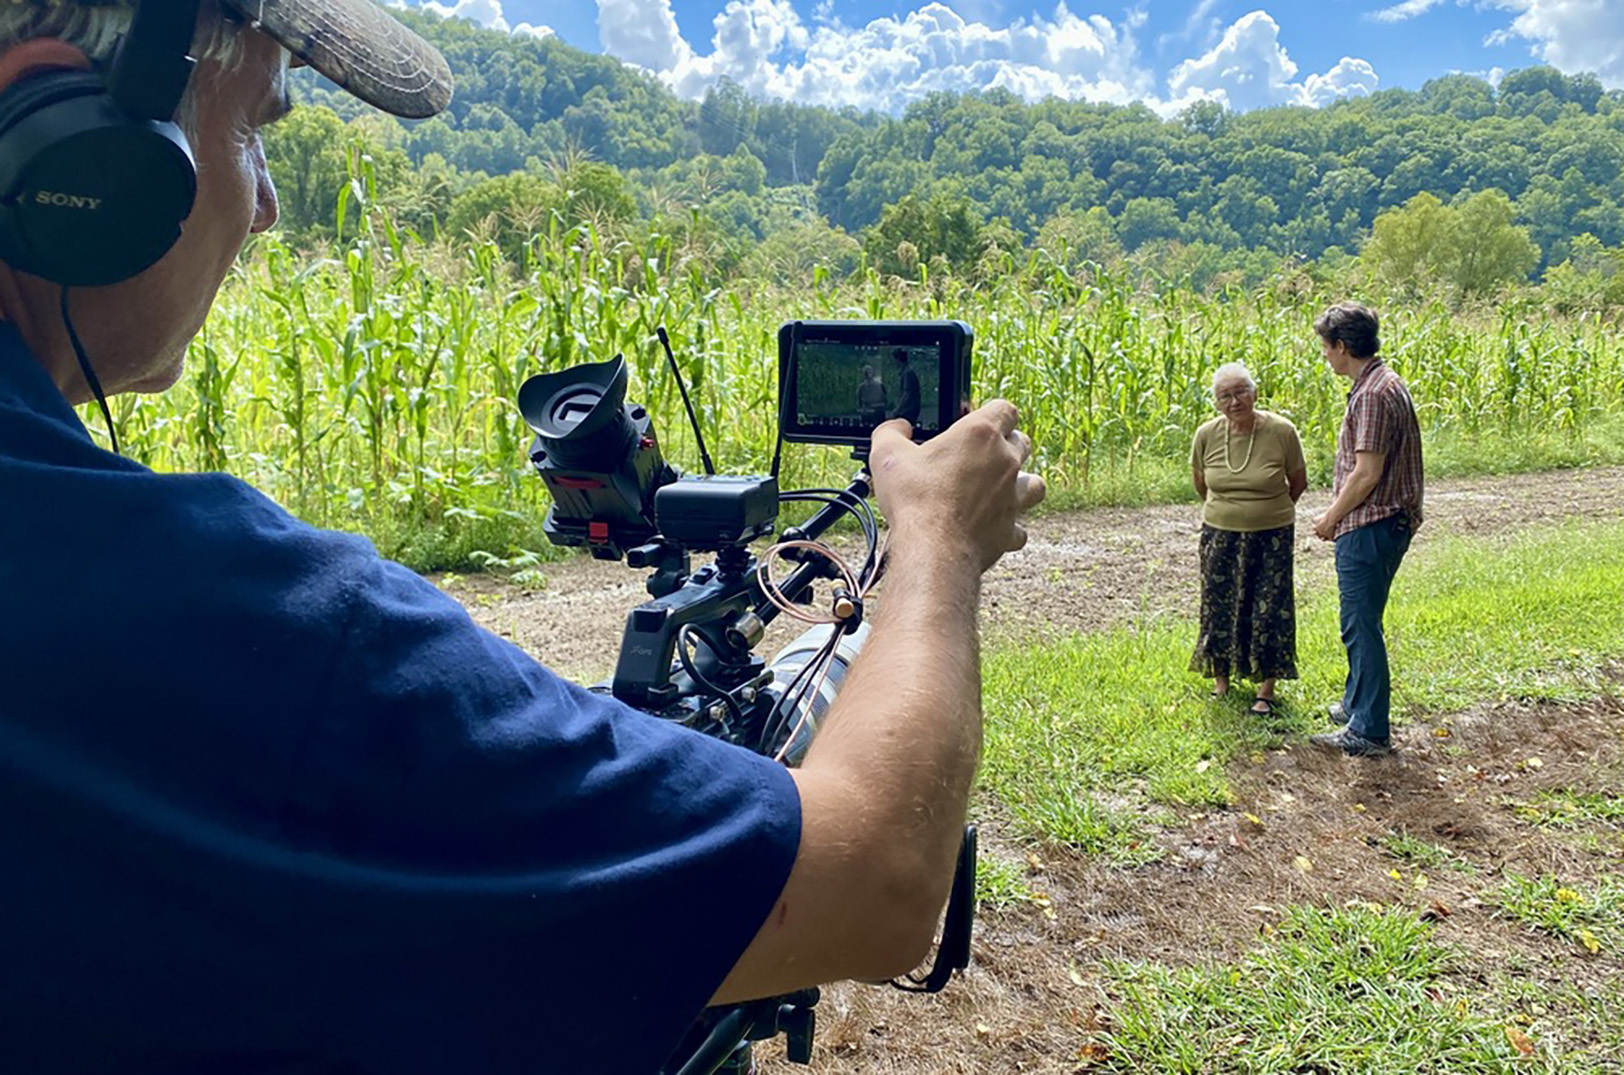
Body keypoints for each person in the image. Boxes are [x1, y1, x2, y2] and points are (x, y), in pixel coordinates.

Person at [0, 3, 1046, 1073]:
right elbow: (870, 881)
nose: (266, 204)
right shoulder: (231, 622)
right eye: (256, 128)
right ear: (71, 143)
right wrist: (937, 541)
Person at [1308, 302, 1424, 757]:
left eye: (1326, 348)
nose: (1325, 356)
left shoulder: (1374, 394)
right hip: (1385, 522)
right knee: (1361, 619)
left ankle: (1369, 729)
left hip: (1371, 523)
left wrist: (1330, 517)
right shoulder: (1383, 381)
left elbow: (1366, 473)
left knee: (1360, 624)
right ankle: (1356, 704)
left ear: (1342, 346)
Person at [1189, 362, 1308, 716]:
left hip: (1271, 535)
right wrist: (1228, 511)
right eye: (1224, 395)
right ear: (1216, 401)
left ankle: (1265, 689)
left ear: (1255, 393)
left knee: (1269, 606)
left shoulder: (1282, 431)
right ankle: (1221, 681)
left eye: (1241, 391)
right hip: (1219, 534)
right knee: (1217, 603)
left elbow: (1297, 482)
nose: (1234, 401)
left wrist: (1268, 511)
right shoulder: (1206, 434)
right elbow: (1201, 483)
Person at [890, 345, 921, 424]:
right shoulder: (905, 372)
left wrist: (898, 409)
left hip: (908, 412)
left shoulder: (908, 373)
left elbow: (907, 394)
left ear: (897, 359)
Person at [856, 362, 888, 426]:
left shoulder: (862, 387)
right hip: (876, 411)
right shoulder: (880, 384)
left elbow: (859, 401)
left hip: (869, 411)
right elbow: (885, 398)